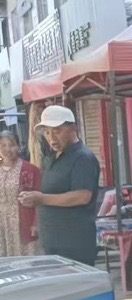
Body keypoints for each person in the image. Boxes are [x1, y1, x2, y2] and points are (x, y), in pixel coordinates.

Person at [19, 105, 101, 266]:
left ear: (73, 129)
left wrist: (41, 198)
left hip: (73, 242)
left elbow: (82, 196)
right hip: (52, 238)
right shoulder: (53, 156)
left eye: (56, 131)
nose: (51, 138)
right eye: (47, 132)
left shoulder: (82, 157)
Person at [0, 129, 41, 256]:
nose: (8, 149)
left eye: (12, 145)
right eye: (3, 145)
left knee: (25, 260)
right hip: (2, 224)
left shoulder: (31, 170)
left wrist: (36, 223)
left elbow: (40, 200)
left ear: (19, 146)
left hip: (23, 222)